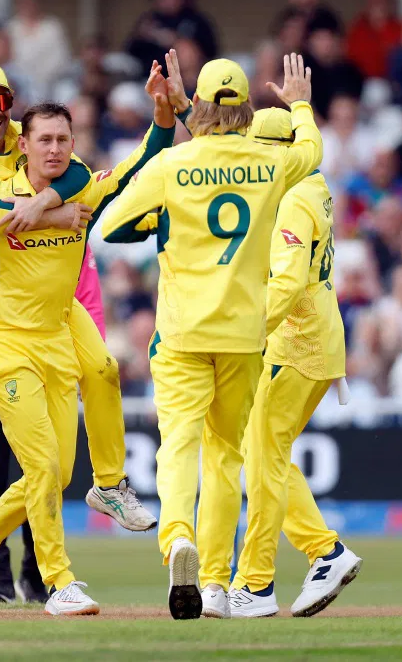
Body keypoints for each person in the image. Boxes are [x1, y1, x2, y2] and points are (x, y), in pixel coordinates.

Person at [0, 62, 157, 602]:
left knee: (98, 385)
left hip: (55, 318)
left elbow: (95, 173)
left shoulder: (33, 143)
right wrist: (57, 216)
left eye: (3, 101)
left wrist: (162, 119)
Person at [101, 52, 321, 619]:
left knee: (178, 444)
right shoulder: (269, 164)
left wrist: (166, 220)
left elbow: (113, 224)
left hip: (181, 332)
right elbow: (311, 153)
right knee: (225, 455)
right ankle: (218, 585)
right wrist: (299, 103)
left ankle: (178, 539)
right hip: (245, 335)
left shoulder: (173, 164)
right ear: (248, 110)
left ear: (196, 105)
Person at [228, 108, 363, 618]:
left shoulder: (289, 201)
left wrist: (246, 331)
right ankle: (324, 552)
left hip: (296, 344)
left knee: (263, 459)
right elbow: (311, 139)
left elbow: (285, 282)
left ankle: (257, 583)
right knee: (268, 453)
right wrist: (302, 107)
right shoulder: (314, 183)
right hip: (313, 339)